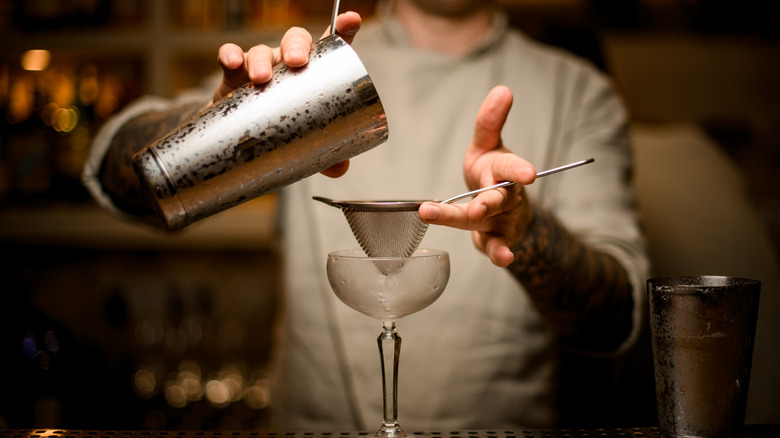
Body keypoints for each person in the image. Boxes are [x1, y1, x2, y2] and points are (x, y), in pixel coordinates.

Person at [83, 0, 649, 430]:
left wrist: (525, 229)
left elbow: (615, 317)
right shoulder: (306, 73)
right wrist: (217, 129)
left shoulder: (578, 90)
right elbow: (114, 169)